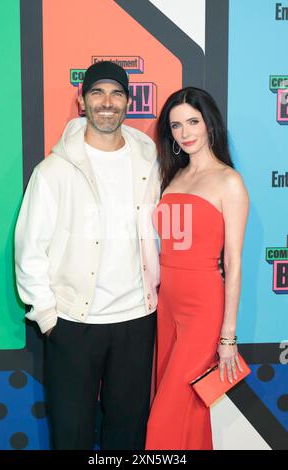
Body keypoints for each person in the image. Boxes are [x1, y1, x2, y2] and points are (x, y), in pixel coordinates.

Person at [15, 61, 161, 450]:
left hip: (137, 319)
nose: (107, 102)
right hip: (73, 324)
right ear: (82, 101)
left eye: (116, 93)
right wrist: (48, 317)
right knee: (71, 433)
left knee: (128, 432)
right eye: (97, 92)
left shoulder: (151, 162)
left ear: (129, 101)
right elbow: (29, 249)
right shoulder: (53, 171)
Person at [145, 87, 249, 450]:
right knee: (187, 410)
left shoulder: (228, 181)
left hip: (204, 308)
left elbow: (234, 262)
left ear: (210, 125)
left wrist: (227, 337)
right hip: (166, 305)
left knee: (167, 412)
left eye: (193, 121)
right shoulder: (171, 177)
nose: (185, 133)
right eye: (176, 126)